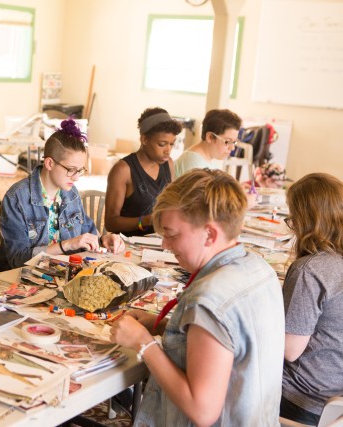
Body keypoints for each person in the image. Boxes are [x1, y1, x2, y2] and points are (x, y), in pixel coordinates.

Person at [110, 168, 285, 426]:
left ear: (210, 234)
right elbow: (227, 346)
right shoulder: (259, 268)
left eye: (171, 235)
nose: (165, 246)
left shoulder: (209, 299)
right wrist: (161, 325)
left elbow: (202, 410)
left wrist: (143, 343)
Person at [0, 118, 125, 271]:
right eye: (70, 169)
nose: (76, 177)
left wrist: (104, 240)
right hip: (22, 279)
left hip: (61, 274)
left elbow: (88, 234)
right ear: (50, 163)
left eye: (80, 170)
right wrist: (68, 245)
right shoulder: (17, 198)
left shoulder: (71, 193)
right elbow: (17, 260)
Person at [280, 173, 343, 425]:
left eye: (292, 218)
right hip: (334, 392)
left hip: (301, 398)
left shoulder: (311, 270)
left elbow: (289, 350)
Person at [104, 107, 182, 237]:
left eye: (172, 144)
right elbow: (111, 223)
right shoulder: (123, 170)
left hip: (158, 242)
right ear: (144, 139)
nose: (168, 151)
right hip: (126, 246)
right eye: (162, 144)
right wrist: (146, 221)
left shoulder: (169, 164)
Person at [174, 109, 242, 178]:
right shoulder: (195, 165)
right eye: (227, 141)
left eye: (234, 142)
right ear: (210, 137)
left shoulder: (205, 159)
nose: (232, 148)